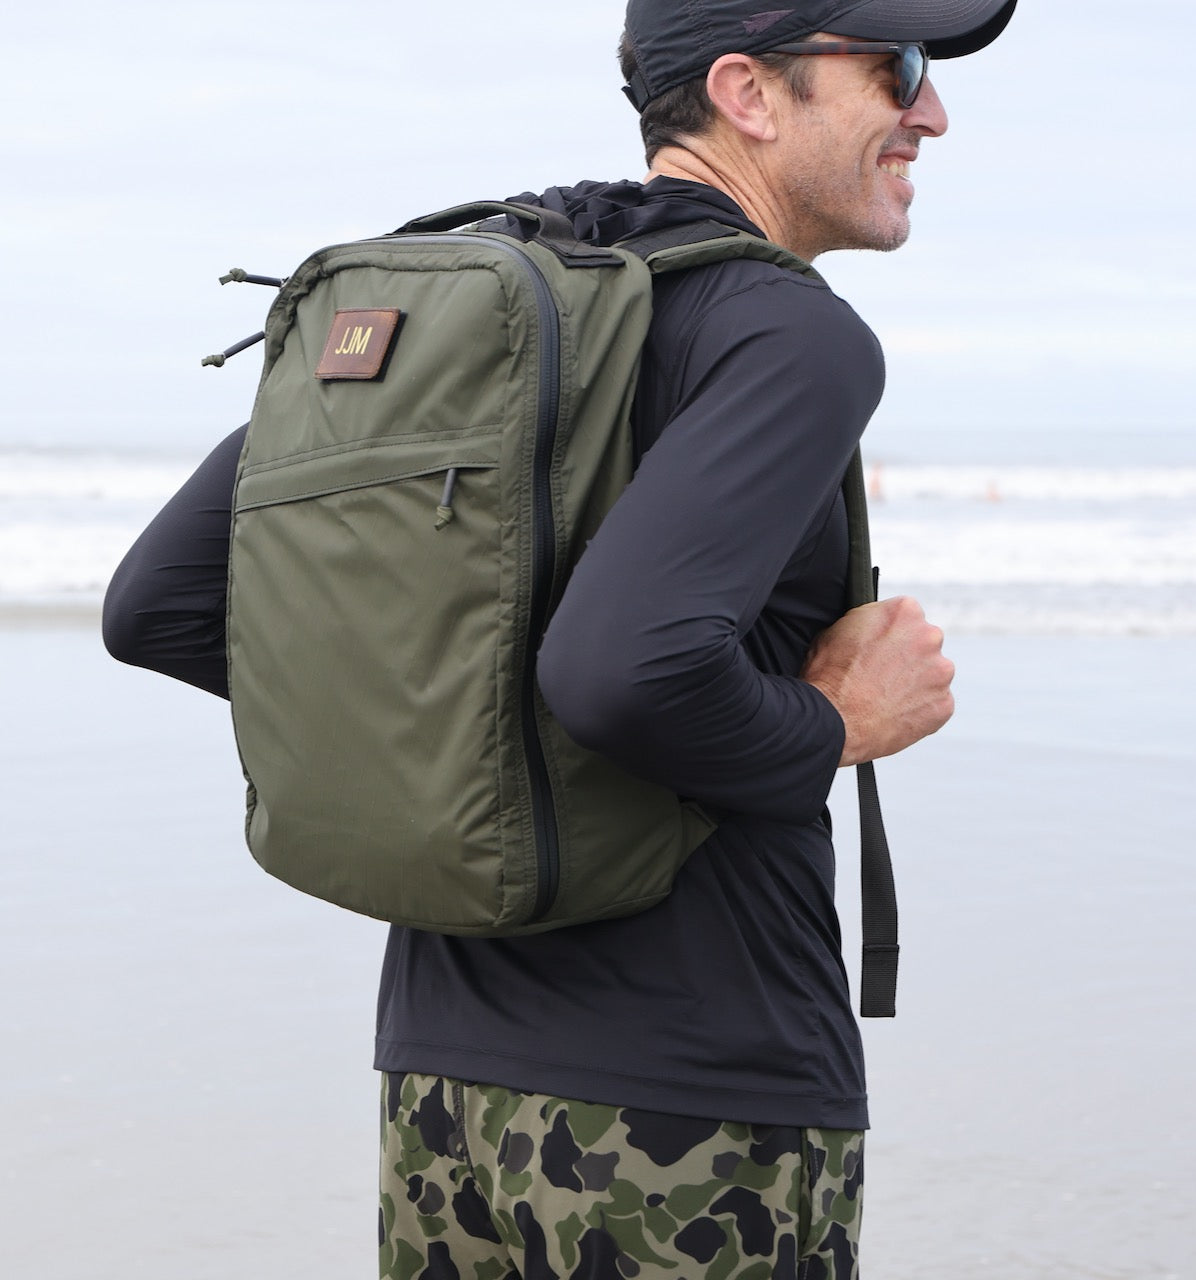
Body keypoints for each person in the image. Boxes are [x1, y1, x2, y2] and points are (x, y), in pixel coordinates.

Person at [103, 1, 1015, 1275]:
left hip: (442, 1086)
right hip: (695, 1097)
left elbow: (165, 605)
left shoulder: (476, 295)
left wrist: (464, 742)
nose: (930, 112)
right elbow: (617, 670)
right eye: (895, 69)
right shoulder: (785, 332)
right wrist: (834, 724)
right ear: (748, 92)